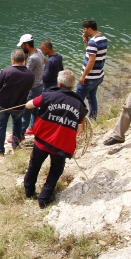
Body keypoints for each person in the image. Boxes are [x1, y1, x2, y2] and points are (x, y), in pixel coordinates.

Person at [23, 70, 88, 209]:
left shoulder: (48, 95)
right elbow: (79, 129)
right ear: (72, 86)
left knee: (34, 165)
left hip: (42, 141)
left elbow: (29, 105)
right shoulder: (79, 105)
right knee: (55, 171)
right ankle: (44, 198)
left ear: (59, 83)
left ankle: (29, 192)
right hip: (62, 145)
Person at [0, 49, 35, 155]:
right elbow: (29, 88)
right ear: (24, 60)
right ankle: (15, 147)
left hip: (3, 104)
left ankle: (0, 151)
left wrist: (1, 74)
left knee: (1, 126)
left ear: (13, 60)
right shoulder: (30, 74)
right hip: (19, 104)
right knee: (17, 124)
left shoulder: (6, 71)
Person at [76, 20, 108, 120]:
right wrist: (85, 40)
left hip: (89, 77)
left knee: (77, 100)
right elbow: (90, 52)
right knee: (91, 97)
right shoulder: (103, 38)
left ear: (90, 29)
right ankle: (93, 118)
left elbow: (91, 61)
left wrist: (83, 76)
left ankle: (76, 120)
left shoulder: (93, 42)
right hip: (98, 76)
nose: (84, 31)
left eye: (85, 29)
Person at [17, 34, 45, 137]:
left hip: (33, 88)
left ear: (26, 45)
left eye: (22, 45)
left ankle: (21, 134)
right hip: (40, 85)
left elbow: (26, 74)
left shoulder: (32, 58)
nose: (21, 47)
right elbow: (44, 62)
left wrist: (24, 58)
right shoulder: (40, 52)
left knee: (26, 112)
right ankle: (34, 128)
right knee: (35, 109)